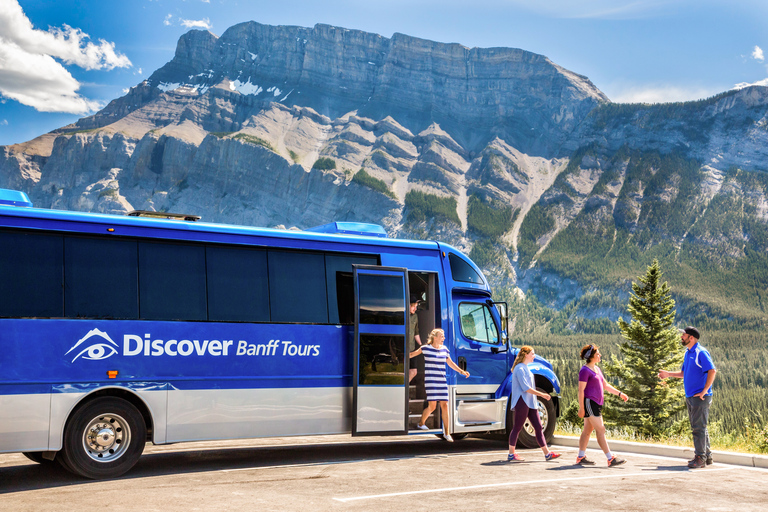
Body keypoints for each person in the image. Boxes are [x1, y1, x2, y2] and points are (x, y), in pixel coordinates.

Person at [658, 326, 717, 469]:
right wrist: (668, 374)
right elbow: (685, 372)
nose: (681, 337)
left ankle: (700, 458)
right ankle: (707, 456)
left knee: (698, 428)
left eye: (684, 335)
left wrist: (704, 391)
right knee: (700, 427)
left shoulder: (700, 352)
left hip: (700, 397)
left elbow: (712, 370)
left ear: (691, 338)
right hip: (691, 396)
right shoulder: (688, 353)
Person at [410, 328, 469, 441]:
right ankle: (421, 423)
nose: (444, 338)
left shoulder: (445, 350)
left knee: (445, 405)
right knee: (432, 406)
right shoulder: (425, 348)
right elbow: (412, 354)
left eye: (443, 336)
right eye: (441, 336)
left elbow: (451, 363)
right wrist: (401, 357)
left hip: (442, 381)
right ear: (434, 337)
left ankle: (446, 432)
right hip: (431, 381)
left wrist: (462, 371)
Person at [576, 344, 628, 467]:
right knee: (601, 429)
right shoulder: (584, 370)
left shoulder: (597, 369)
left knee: (587, 431)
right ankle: (610, 458)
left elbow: (605, 385)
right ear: (591, 356)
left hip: (597, 404)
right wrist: (582, 408)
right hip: (590, 403)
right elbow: (580, 390)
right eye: (598, 353)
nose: (600, 355)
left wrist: (620, 394)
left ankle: (580, 457)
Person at [506, 346, 561, 461]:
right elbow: (526, 388)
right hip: (522, 401)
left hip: (531, 402)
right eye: (532, 354)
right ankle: (511, 454)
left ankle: (547, 454)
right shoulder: (519, 369)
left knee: (538, 427)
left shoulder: (525, 368)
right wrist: (542, 395)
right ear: (526, 354)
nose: (534, 356)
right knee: (517, 427)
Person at [407, 294, 423, 383]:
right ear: (408, 305)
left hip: (412, 349)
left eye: (416, 307)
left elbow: (416, 333)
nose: (415, 309)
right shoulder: (402, 315)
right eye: (413, 306)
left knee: (414, 371)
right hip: (402, 349)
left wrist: (421, 345)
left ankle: (404, 388)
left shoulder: (415, 316)